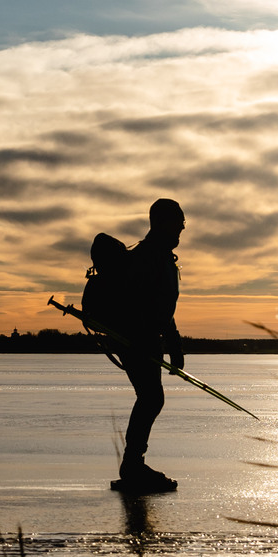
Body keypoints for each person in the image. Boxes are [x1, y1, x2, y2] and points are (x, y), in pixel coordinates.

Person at [109, 199, 187, 493]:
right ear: (163, 222)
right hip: (136, 340)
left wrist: (173, 345)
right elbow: (141, 302)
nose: (182, 228)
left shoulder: (161, 256)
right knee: (151, 397)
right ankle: (132, 466)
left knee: (151, 398)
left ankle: (133, 464)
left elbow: (163, 307)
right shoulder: (148, 256)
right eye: (179, 222)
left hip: (146, 340)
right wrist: (155, 341)